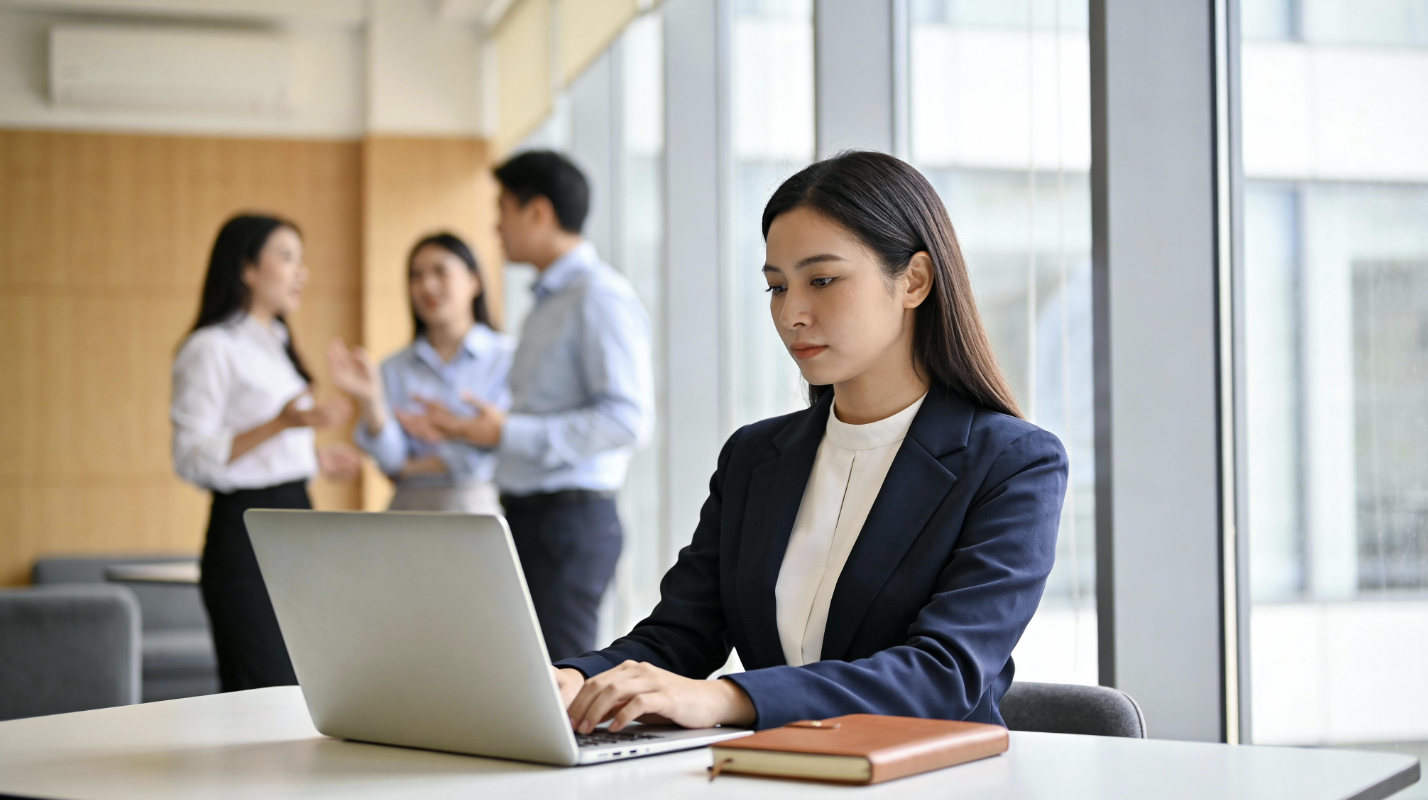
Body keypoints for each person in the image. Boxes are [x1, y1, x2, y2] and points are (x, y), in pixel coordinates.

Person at [550, 151, 1068, 733]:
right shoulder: (753, 457)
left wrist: (727, 699)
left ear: (914, 281)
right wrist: (573, 679)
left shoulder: (1013, 464)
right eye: (776, 286)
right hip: (771, 774)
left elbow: (943, 674)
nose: (791, 313)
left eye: (822, 280)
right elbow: (680, 635)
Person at [430, 150, 654, 661]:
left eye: (503, 209)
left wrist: (506, 433)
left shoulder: (598, 296)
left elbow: (626, 419)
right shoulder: (549, 302)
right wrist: (473, 432)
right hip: (532, 518)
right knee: (526, 681)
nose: (496, 225)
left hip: (568, 524)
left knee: (559, 689)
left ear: (538, 212)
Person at [171, 214, 362, 692]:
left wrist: (312, 459)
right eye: (287, 256)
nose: (302, 272)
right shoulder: (211, 348)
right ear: (246, 269)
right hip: (246, 530)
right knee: (261, 686)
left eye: (303, 259)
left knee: (307, 684)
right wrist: (282, 424)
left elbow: (265, 446)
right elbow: (192, 458)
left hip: (298, 517)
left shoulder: (277, 343)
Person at [327, 233, 514, 513]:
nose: (427, 285)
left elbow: (499, 451)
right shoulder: (393, 368)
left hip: (480, 510)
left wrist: (410, 467)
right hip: (408, 511)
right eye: (416, 275)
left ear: (474, 281)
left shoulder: (507, 357)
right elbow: (390, 461)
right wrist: (371, 402)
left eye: (441, 271)